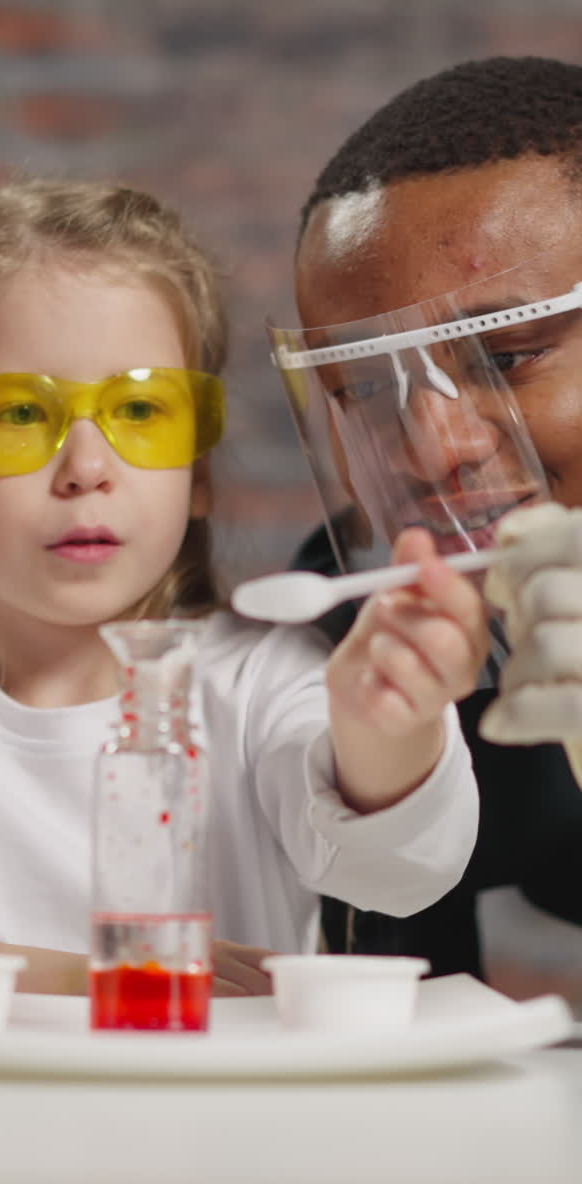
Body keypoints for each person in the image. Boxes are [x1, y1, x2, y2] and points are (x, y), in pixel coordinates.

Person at [0, 178, 486, 996]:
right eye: (16, 414)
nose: (87, 470)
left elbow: (401, 873)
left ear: (196, 468)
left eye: (142, 411)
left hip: (223, 1128)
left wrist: (390, 734)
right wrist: (103, 982)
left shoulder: (266, 680)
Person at [290, 54, 582, 984]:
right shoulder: (362, 639)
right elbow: (384, 1028)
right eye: (369, 387)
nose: (430, 446)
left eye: (512, 353)